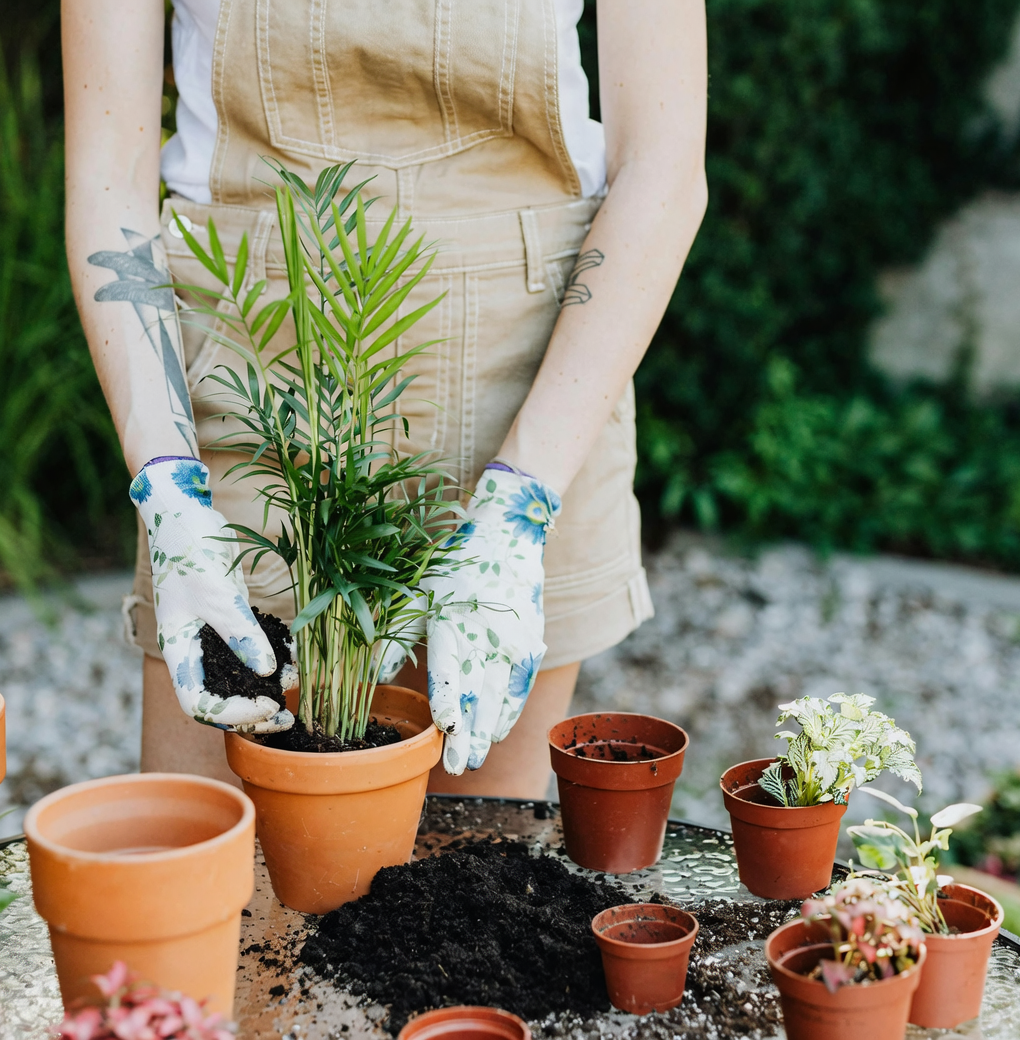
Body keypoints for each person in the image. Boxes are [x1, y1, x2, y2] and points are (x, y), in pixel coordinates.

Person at [64, 0, 706, 797]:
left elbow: (666, 165)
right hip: (250, 364)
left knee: (474, 888)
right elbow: (107, 178)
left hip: (532, 380)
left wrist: (520, 501)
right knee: (215, 881)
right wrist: (166, 484)